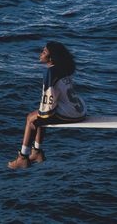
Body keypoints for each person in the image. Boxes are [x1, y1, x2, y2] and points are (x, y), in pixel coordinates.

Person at [8, 41, 87, 169]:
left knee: (31, 118)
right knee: (39, 115)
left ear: (51, 58)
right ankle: (37, 152)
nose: (40, 54)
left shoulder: (50, 73)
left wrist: (41, 115)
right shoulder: (62, 69)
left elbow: (49, 98)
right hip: (80, 111)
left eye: (44, 52)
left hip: (71, 114)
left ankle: (23, 157)